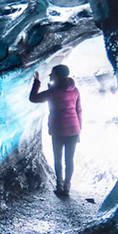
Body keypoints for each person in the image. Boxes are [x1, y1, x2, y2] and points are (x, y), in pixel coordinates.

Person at [30, 64, 82, 196]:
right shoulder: (75, 90)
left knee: (58, 158)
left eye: (52, 73)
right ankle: (67, 186)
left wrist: (36, 82)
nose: (50, 75)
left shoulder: (53, 92)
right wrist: (79, 130)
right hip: (73, 129)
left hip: (58, 129)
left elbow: (33, 98)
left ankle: (59, 186)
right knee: (69, 159)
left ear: (57, 75)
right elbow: (79, 111)